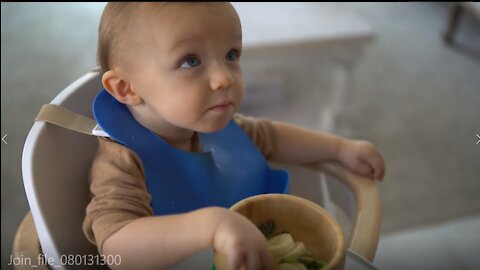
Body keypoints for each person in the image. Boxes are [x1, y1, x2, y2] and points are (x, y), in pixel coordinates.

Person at [83, 2, 385, 270]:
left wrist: (339, 148)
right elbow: (116, 247)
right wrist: (212, 225)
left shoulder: (217, 126)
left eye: (231, 54)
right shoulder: (122, 160)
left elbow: (272, 138)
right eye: (191, 60)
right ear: (128, 89)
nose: (224, 77)